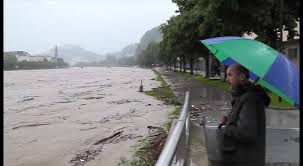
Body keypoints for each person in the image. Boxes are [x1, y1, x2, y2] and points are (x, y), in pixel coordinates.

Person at [218, 64, 271, 166]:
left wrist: (228, 127)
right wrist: (228, 120)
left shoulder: (249, 99)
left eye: (230, 75)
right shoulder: (244, 97)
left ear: (241, 77)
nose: (227, 79)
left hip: (245, 160)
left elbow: (247, 133)